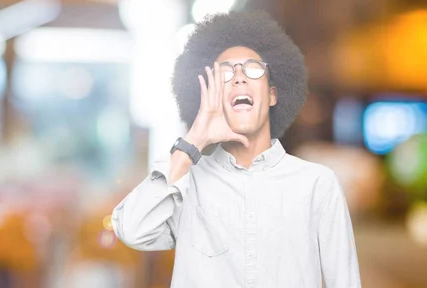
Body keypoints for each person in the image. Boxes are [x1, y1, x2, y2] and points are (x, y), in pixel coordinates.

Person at [111, 11, 361, 288]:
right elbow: (132, 230)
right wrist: (193, 139)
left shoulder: (316, 184)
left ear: (272, 94)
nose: (239, 77)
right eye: (225, 72)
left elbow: (345, 281)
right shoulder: (185, 183)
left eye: (253, 68)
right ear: (210, 96)